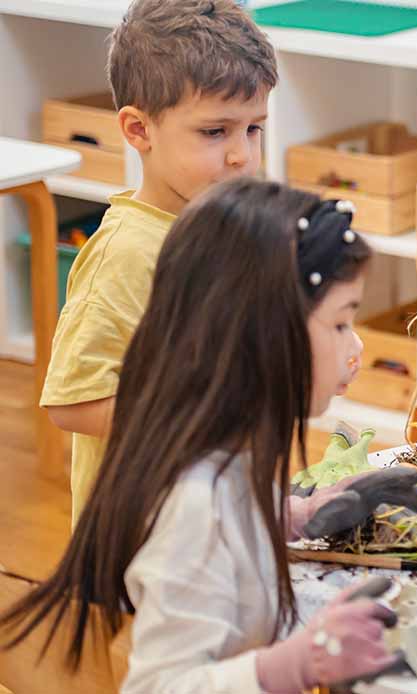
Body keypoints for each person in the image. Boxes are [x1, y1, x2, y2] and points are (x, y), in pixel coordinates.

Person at [2, 180, 417, 692]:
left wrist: (297, 515)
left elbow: (233, 537)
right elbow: (157, 687)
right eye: (340, 324)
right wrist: (296, 664)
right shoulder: (193, 506)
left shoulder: (225, 445)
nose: (355, 347)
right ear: (263, 336)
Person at [39, 0, 279, 524]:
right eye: (215, 132)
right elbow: (72, 403)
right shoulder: (125, 254)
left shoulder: (218, 220)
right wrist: (201, 413)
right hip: (140, 530)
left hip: (211, 507)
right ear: (139, 130)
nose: (242, 155)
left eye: (253, 129)